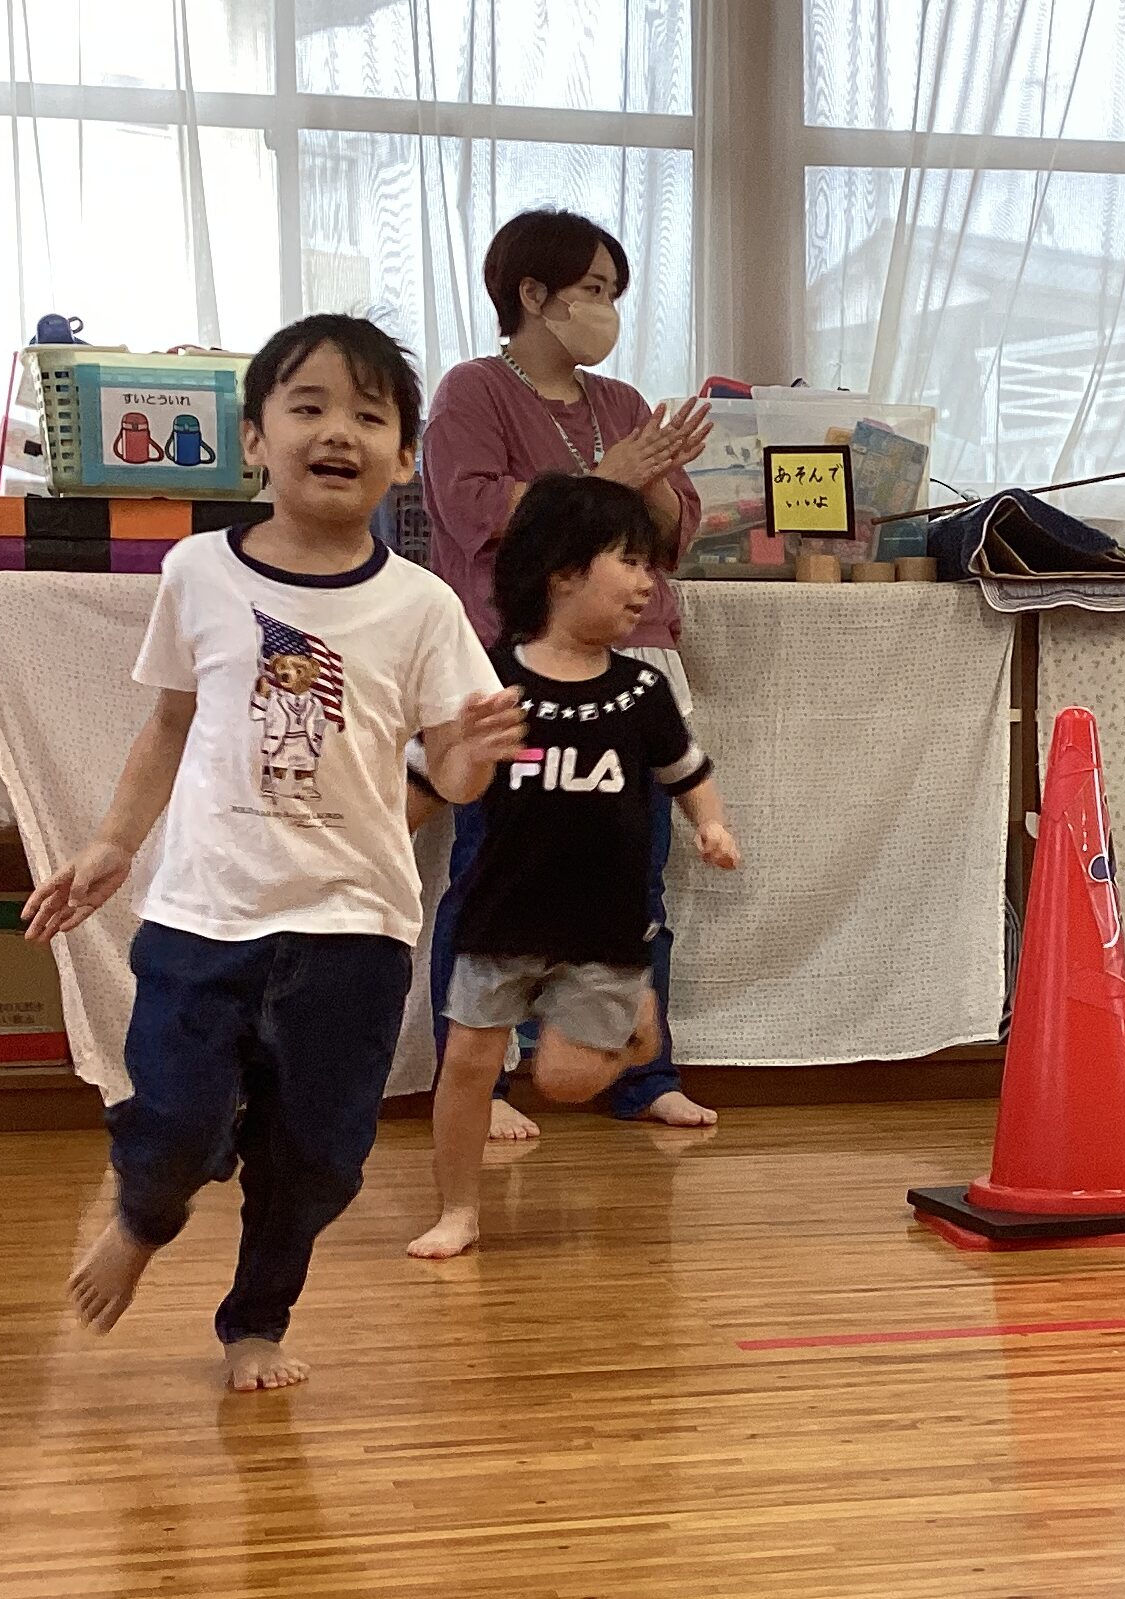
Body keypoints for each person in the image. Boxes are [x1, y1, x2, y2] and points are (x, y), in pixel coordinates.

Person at [22, 314, 524, 1391]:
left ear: (403, 456)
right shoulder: (199, 572)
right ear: (254, 437)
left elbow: (451, 776)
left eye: (369, 416)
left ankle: (255, 1322)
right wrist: (112, 843)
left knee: (318, 1159)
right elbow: (168, 723)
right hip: (203, 916)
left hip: (355, 928)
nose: (337, 431)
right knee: (174, 1118)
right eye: (308, 407)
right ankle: (145, 1215)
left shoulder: (422, 604)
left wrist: (473, 752)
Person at [419, 206, 716, 1138]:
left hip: (630, 665)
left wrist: (651, 476)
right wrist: (604, 480)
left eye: (613, 290)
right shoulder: (473, 391)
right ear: (532, 293)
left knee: (635, 878)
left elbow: (672, 533)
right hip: (517, 668)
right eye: (591, 288)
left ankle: (641, 1072)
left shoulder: (621, 402)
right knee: (492, 876)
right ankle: (482, 1079)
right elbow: (470, 509)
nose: (606, 307)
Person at [407, 474, 739, 1259]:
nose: (646, 581)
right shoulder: (488, 682)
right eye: (628, 560)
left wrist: (712, 823)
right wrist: (380, 839)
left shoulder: (642, 692)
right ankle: (459, 1209)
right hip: (498, 918)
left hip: (603, 930)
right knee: (467, 1065)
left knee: (561, 1080)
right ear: (561, 571)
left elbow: (686, 770)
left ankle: (634, 1030)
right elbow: (426, 780)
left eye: (649, 564)